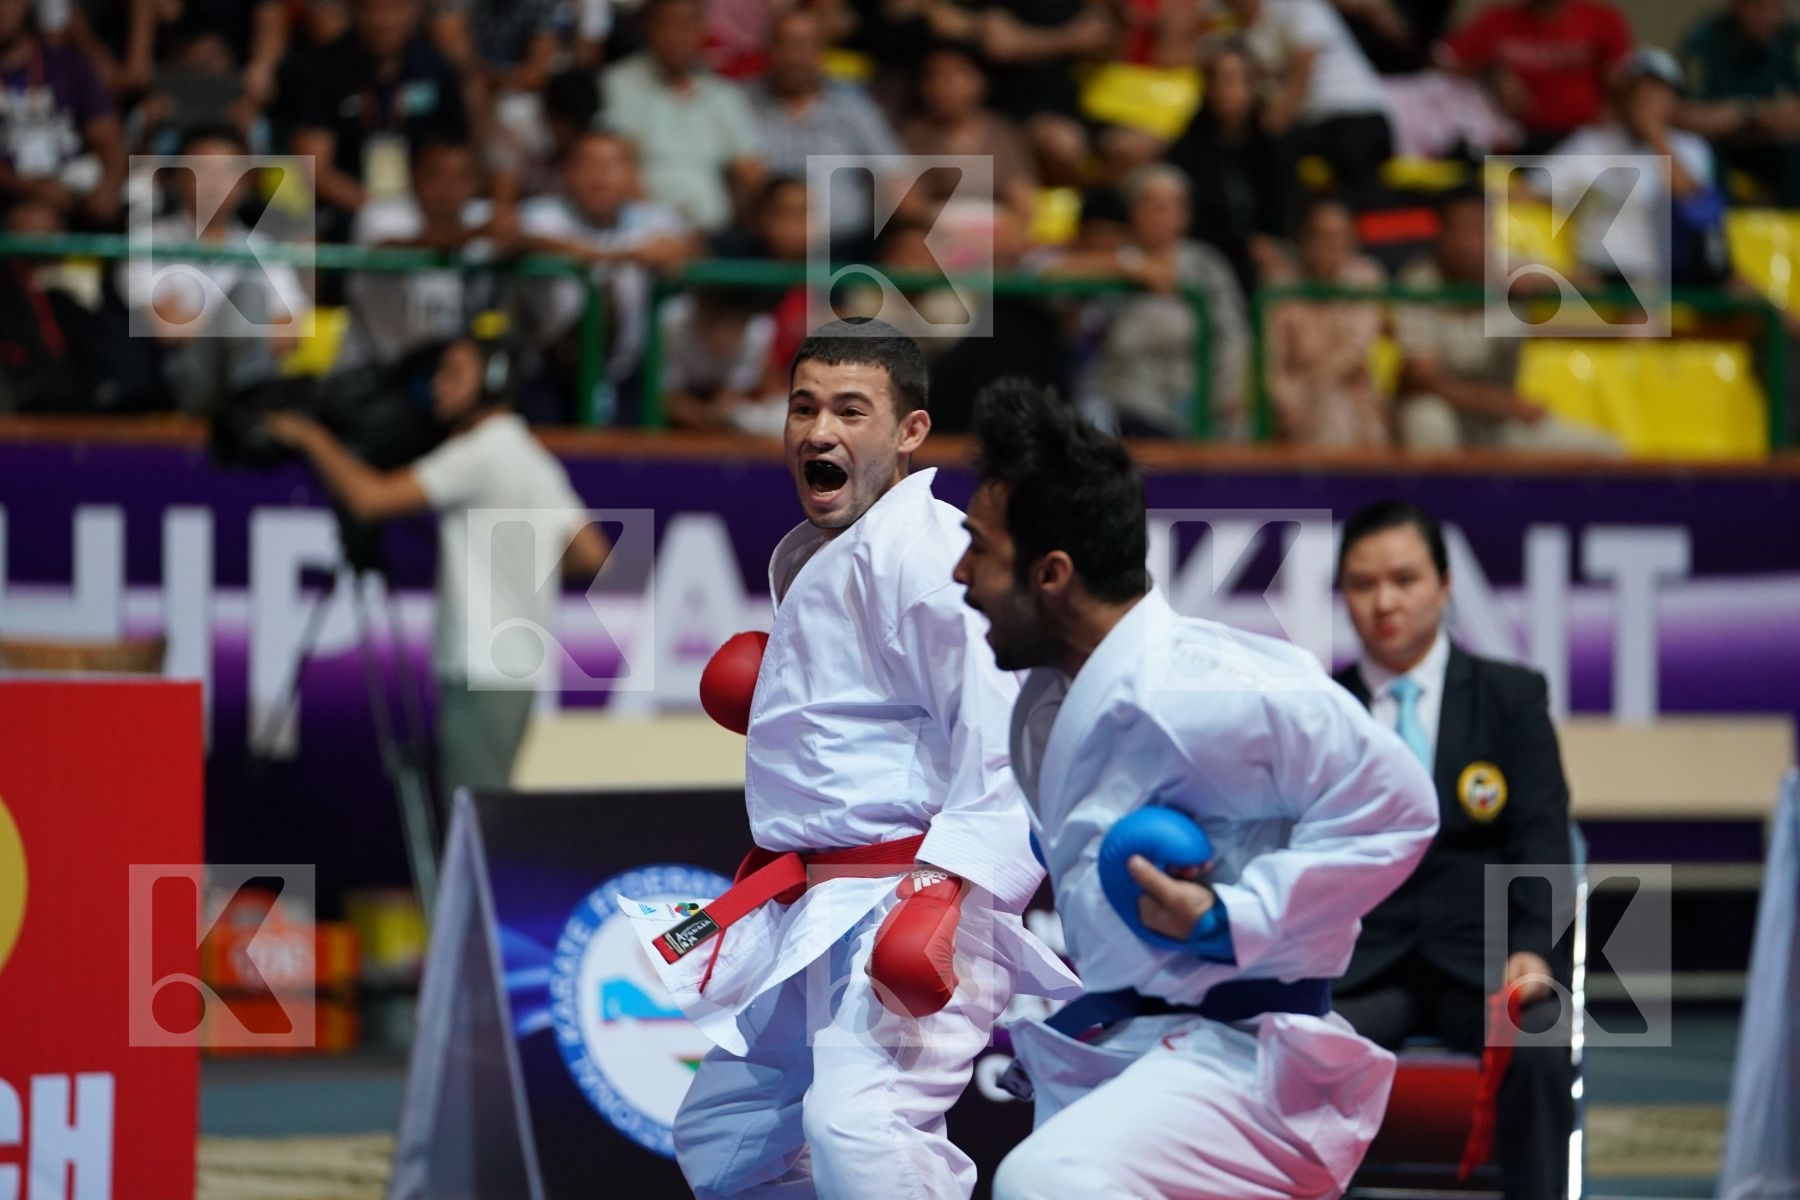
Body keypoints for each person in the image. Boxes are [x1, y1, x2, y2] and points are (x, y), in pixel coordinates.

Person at [950, 381, 1438, 1199]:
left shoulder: (1201, 690)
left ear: (1053, 574)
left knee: (1049, 1182)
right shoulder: (1050, 697)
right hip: (1135, 1045)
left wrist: (1230, 918)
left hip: (1250, 1060)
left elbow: (1399, 804)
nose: (961, 574)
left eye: (980, 549)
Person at [663, 320, 1076, 1199]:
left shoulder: (929, 555)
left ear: (910, 432)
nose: (820, 431)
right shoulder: (841, 547)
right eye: (804, 408)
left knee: (862, 1125)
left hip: (912, 898)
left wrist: (943, 891)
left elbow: (1010, 734)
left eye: (852, 411)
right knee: (727, 1134)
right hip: (817, 899)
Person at [1328, 499, 1576, 1200]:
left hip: (1487, 963)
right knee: (1297, 1048)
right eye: (1363, 583)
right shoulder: (1320, 706)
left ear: (1443, 585)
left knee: (1540, 1043)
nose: (1384, 602)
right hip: (1363, 967)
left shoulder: (1510, 696)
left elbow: (1543, 835)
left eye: (1404, 580)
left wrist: (1534, 945)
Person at [263, 325, 609, 821]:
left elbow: (370, 499)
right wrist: (517, 563)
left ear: (494, 380)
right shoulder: (526, 454)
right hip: (514, 669)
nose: (439, 385)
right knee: (484, 818)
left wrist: (310, 436)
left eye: (454, 373)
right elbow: (593, 554)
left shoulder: (481, 451)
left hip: (481, 669)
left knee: (474, 827)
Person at [1394, 189, 1622, 454]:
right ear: (1441, 235)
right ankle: (1437, 496)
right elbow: (1425, 379)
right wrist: (1504, 404)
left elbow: (1590, 285)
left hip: (1499, 425)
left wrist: (1543, 284)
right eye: (1459, 230)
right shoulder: (1417, 283)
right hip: (1454, 414)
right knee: (1427, 418)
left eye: (1478, 230)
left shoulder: (1510, 269)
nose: (1468, 243)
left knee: (1606, 451)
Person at [283, 0, 470, 234]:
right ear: (354, 11)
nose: (384, 21)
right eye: (373, 10)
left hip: (424, 204)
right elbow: (314, 168)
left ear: (416, 11)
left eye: (396, 9)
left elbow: (456, 154)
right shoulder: (318, 71)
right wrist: (376, 209)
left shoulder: (436, 68)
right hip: (347, 208)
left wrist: (426, 207)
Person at [601, 0, 764, 233]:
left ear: (703, 31)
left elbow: (750, 173)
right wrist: (660, 226)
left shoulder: (724, 95)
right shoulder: (618, 84)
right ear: (648, 28)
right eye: (668, 23)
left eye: (687, 24)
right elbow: (618, 167)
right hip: (642, 234)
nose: (677, 35)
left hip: (715, 234)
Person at [1265, 197, 1391, 446]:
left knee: (1333, 411)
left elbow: (1353, 353)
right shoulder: (1280, 284)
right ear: (1303, 239)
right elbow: (1269, 356)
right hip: (1290, 396)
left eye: (1337, 236)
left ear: (1351, 240)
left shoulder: (1366, 277)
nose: (1328, 245)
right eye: (1320, 235)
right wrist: (1284, 395)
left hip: (1349, 392)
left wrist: (1306, 390)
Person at [1437, 0, 1633, 155]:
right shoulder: (1497, 20)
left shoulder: (1602, 19)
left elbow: (1623, 82)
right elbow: (1443, 63)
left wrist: (1611, 113)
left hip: (1583, 140)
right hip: (1516, 140)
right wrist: (1492, 72)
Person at [1680, 0, 1800, 207]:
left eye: (1778, 9)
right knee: (1700, 153)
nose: (1772, 18)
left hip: (1774, 144)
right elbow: (1686, 114)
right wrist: (1752, 114)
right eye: (1761, 8)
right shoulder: (1705, 40)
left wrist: (1746, 113)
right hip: (1723, 145)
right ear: (1738, 6)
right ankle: (1716, 232)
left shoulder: (1791, 39)